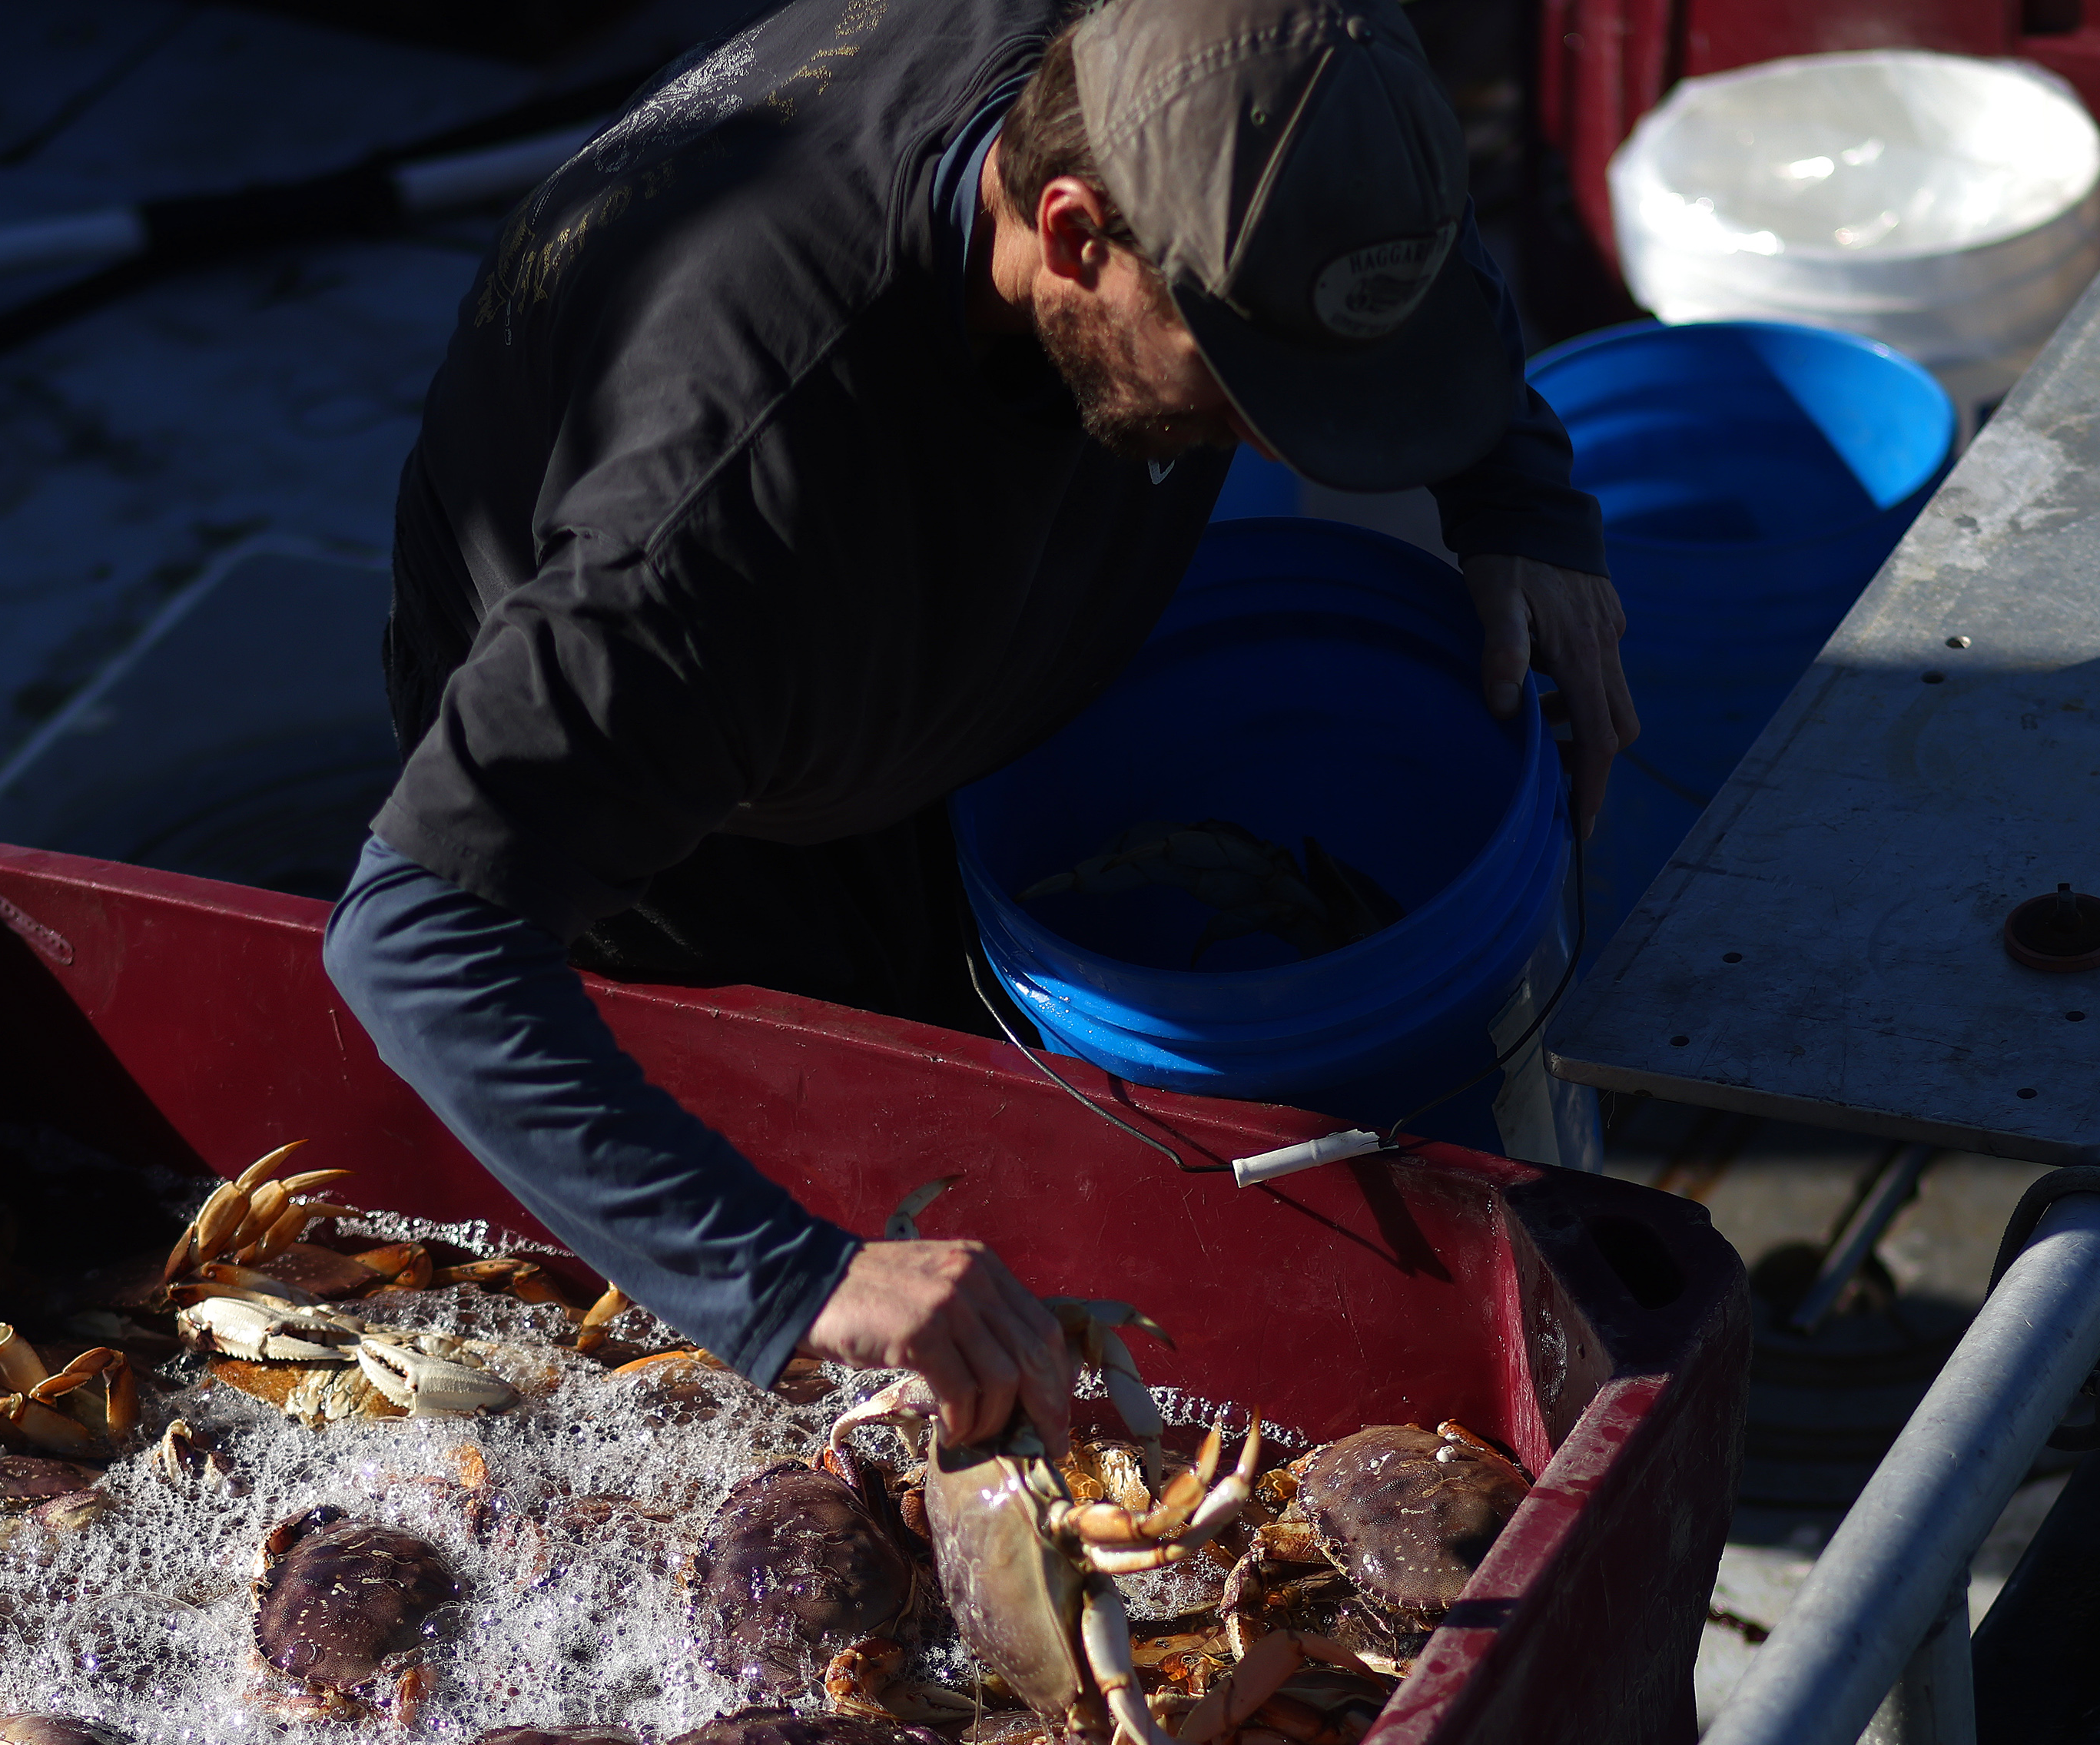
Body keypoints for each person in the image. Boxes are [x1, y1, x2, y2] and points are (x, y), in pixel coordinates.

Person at [325, 0, 1632, 1455]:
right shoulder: (716, 538)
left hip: (909, 616)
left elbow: (1375, 216)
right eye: (1259, 383)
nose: (1293, 445)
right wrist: (795, 1273)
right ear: (1073, 234)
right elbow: (418, 939)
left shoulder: (1228, 69)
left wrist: (1518, 490)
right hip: (718, 795)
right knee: (868, 1277)